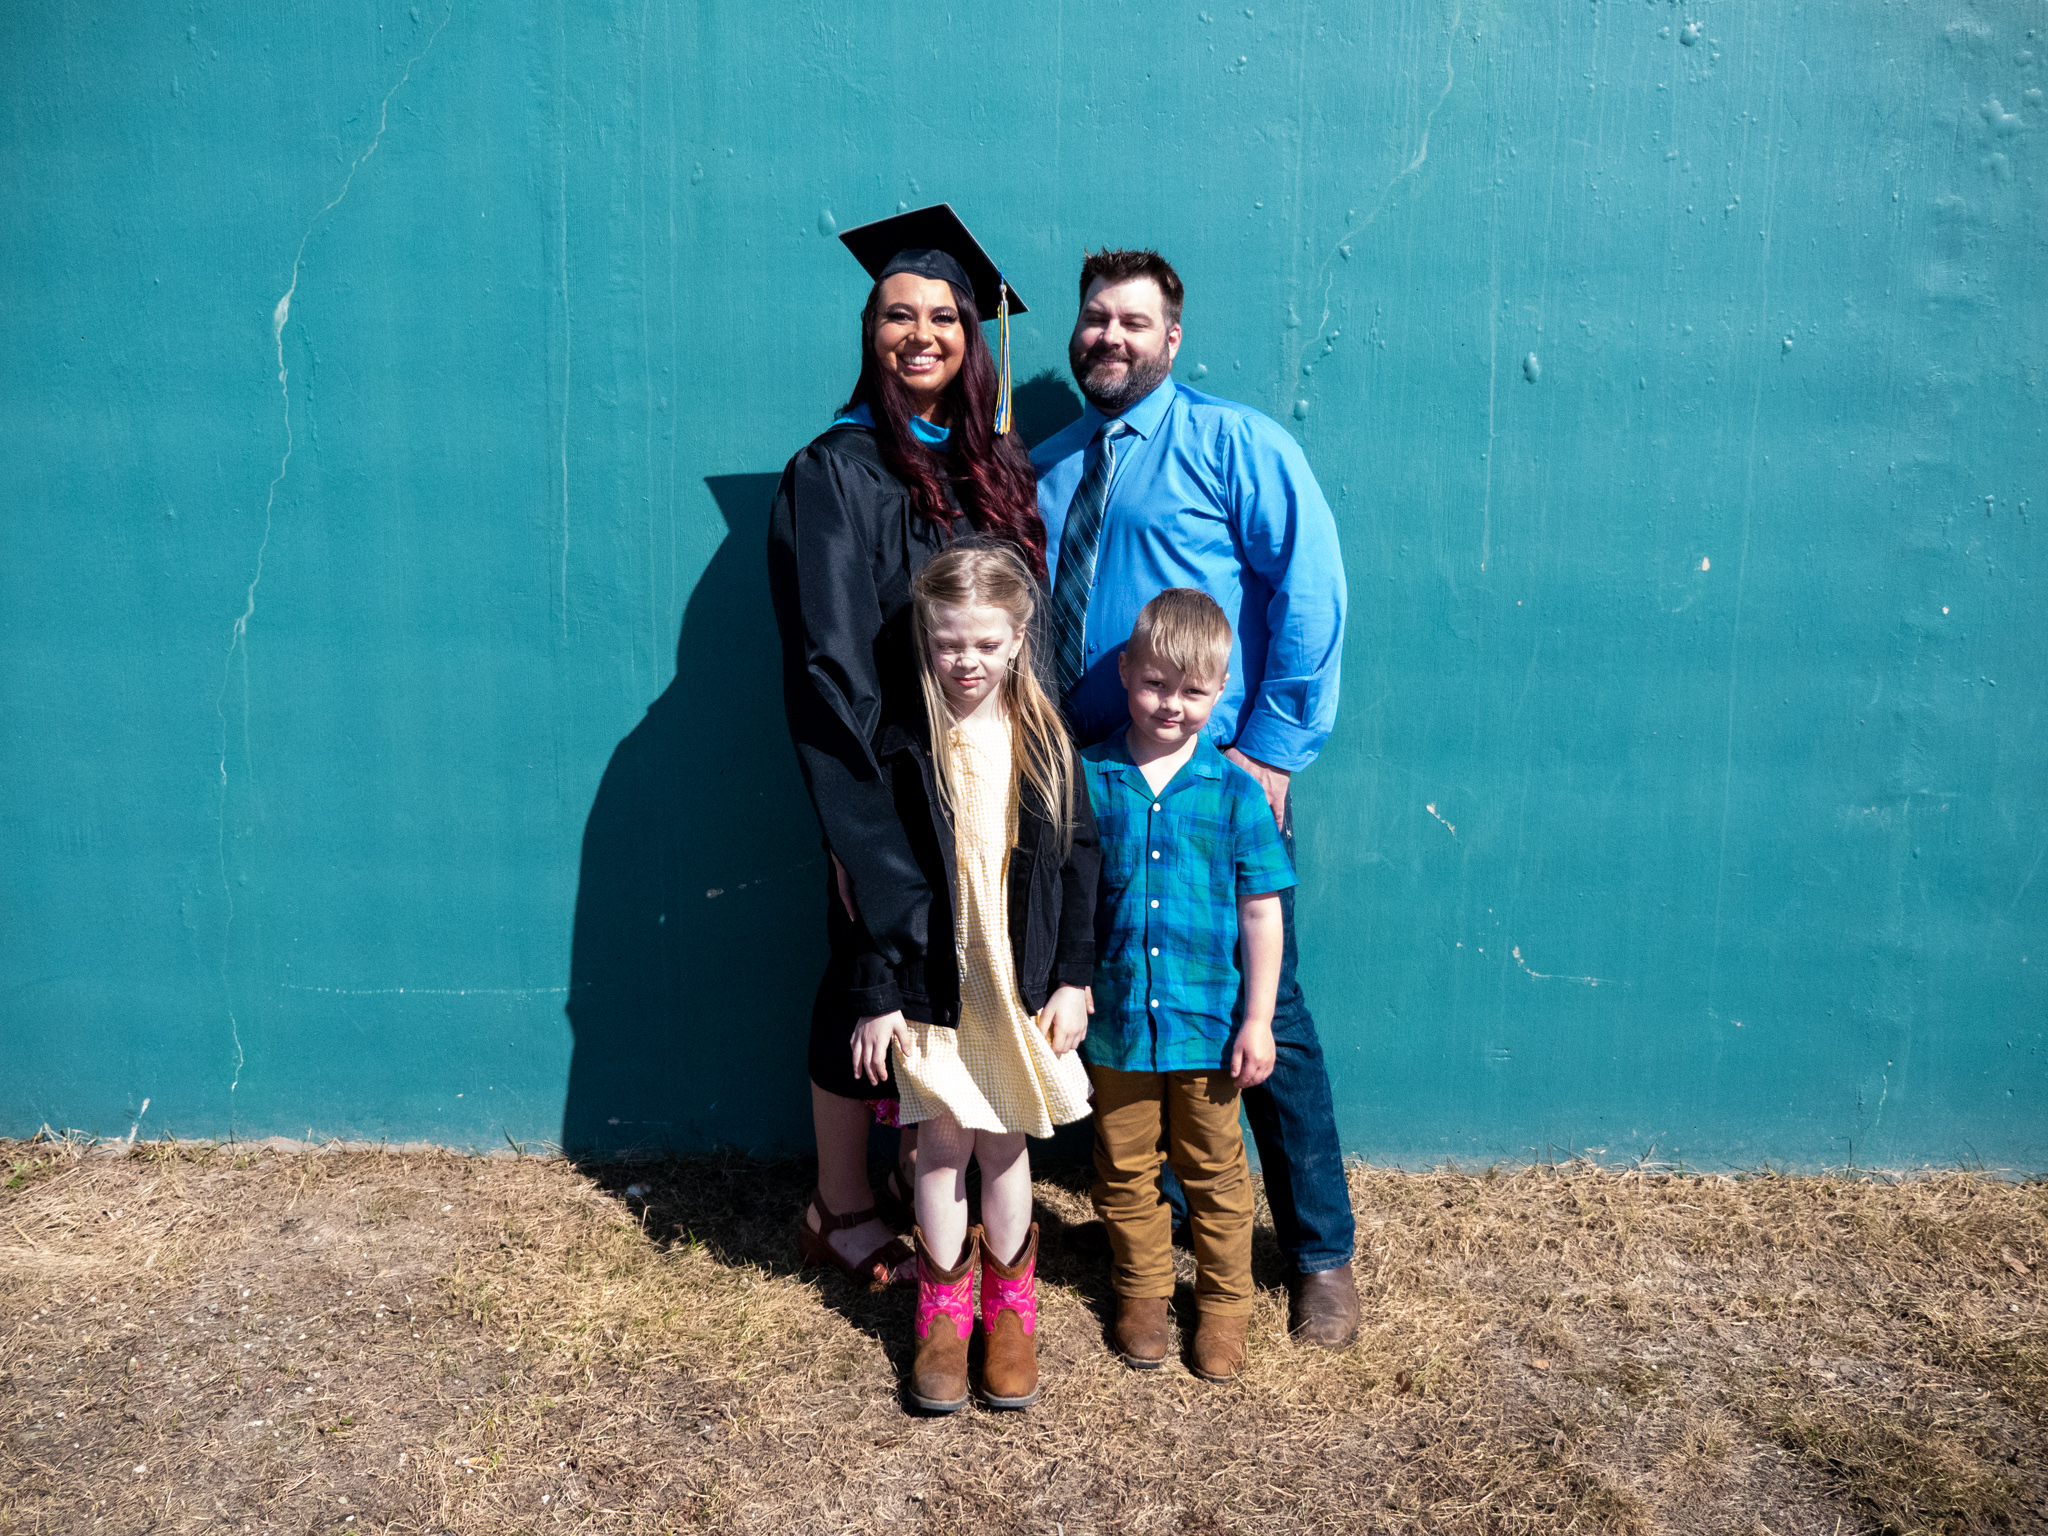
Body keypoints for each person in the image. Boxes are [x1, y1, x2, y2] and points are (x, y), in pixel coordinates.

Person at [1031, 248, 1361, 1347]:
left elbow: (1309, 586)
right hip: (1097, 793)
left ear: (1172, 339)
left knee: (1269, 1014)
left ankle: (1317, 1254)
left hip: (1217, 788)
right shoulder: (1048, 468)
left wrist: (1272, 750)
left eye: (1134, 322)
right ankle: (1161, 1224)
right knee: (1127, 988)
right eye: (1095, 319)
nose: (1109, 337)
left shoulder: (1234, 445)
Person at [768, 204, 1045, 1292]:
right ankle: (837, 1206)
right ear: (869, 330)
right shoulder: (834, 471)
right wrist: (857, 831)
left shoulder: (994, 466)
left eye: (944, 316)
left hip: (987, 777)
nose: (920, 334)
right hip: (884, 783)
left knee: (959, 975)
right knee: (866, 974)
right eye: (897, 314)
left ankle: (921, 1177)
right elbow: (825, 667)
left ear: (973, 337)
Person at [852, 541, 1097, 1412]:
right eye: (949, 642)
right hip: (933, 993)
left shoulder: (1046, 745)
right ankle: (943, 1317)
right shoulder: (901, 747)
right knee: (942, 1146)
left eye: (987, 644)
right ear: (926, 637)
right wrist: (877, 994)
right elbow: (865, 883)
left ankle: (1012, 1313)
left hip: (1016, 990)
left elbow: (1080, 865)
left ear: (1019, 638)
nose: (967, 661)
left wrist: (1072, 979)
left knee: (1004, 1145)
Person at [1081, 589, 1291, 1383]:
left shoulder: (1235, 792)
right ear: (1126, 672)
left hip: (1208, 1026)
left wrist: (1258, 1020)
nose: (1172, 705)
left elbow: (1261, 911)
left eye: (1193, 691)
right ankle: (1140, 1292)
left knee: (1214, 1170)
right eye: (1156, 684)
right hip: (1116, 1023)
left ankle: (1225, 1304)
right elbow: (1066, 897)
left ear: (1222, 689)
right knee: (1123, 1165)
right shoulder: (1089, 776)